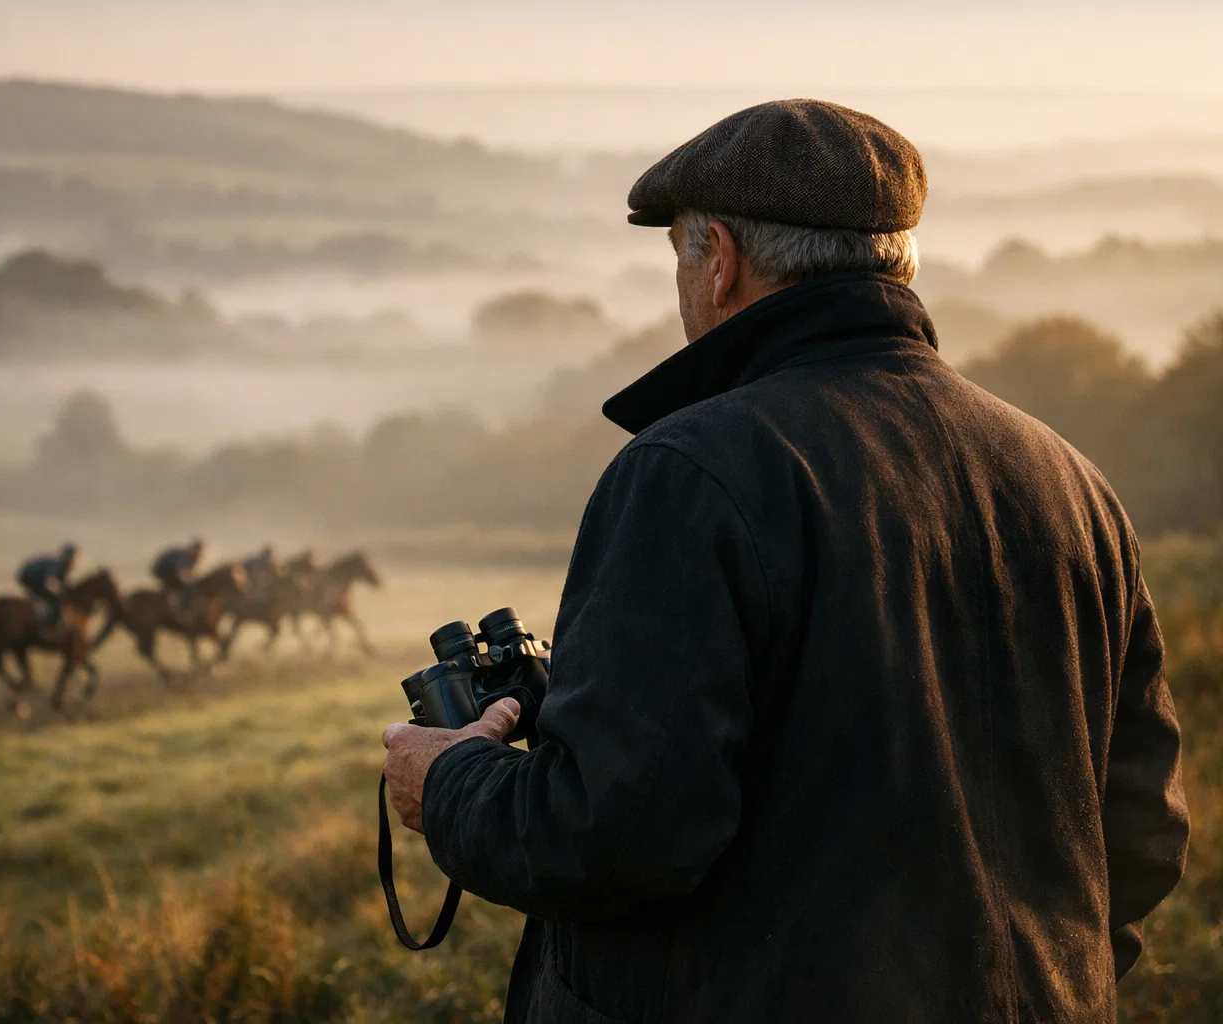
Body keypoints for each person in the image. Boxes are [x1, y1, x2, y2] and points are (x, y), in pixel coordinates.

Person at [381, 99, 1188, 1023]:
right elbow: (1144, 834)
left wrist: (449, 783)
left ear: (717, 261)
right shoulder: (1070, 481)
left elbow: (611, 835)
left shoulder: (688, 473)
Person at [16, 543, 79, 628]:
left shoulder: (63, 565)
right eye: (76, 557)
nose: (78, 560)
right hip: (30, 578)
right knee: (56, 600)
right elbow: (50, 582)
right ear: (69, 557)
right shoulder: (59, 564)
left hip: (33, 577)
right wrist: (59, 593)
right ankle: (47, 625)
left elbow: (63, 583)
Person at [151, 538, 205, 615]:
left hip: (170, 570)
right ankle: (175, 609)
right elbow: (180, 574)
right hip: (163, 569)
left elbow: (191, 574)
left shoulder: (193, 558)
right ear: (194, 550)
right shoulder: (184, 556)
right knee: (181, 586)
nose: (199, 555)